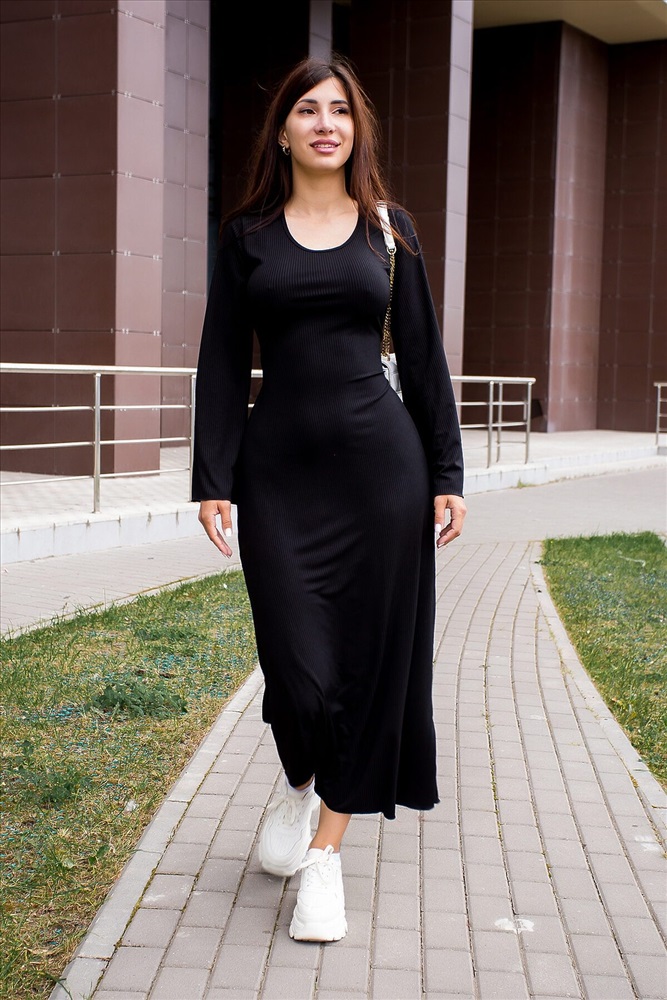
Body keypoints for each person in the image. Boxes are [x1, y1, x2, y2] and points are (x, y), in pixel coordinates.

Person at [192, 55, 466, 943]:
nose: (325, 124)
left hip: (381, 479)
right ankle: (299, 783)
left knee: (368, 669)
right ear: (282, 131)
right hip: (277, 480)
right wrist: (212, 478)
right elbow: (221, 363)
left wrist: (446, 474)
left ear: (357, 130)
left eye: (340, 111)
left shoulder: (389, 231)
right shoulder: (247, 237)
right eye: (307, 110)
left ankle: (324, 858)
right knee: (299, 673)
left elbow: (422, 358)